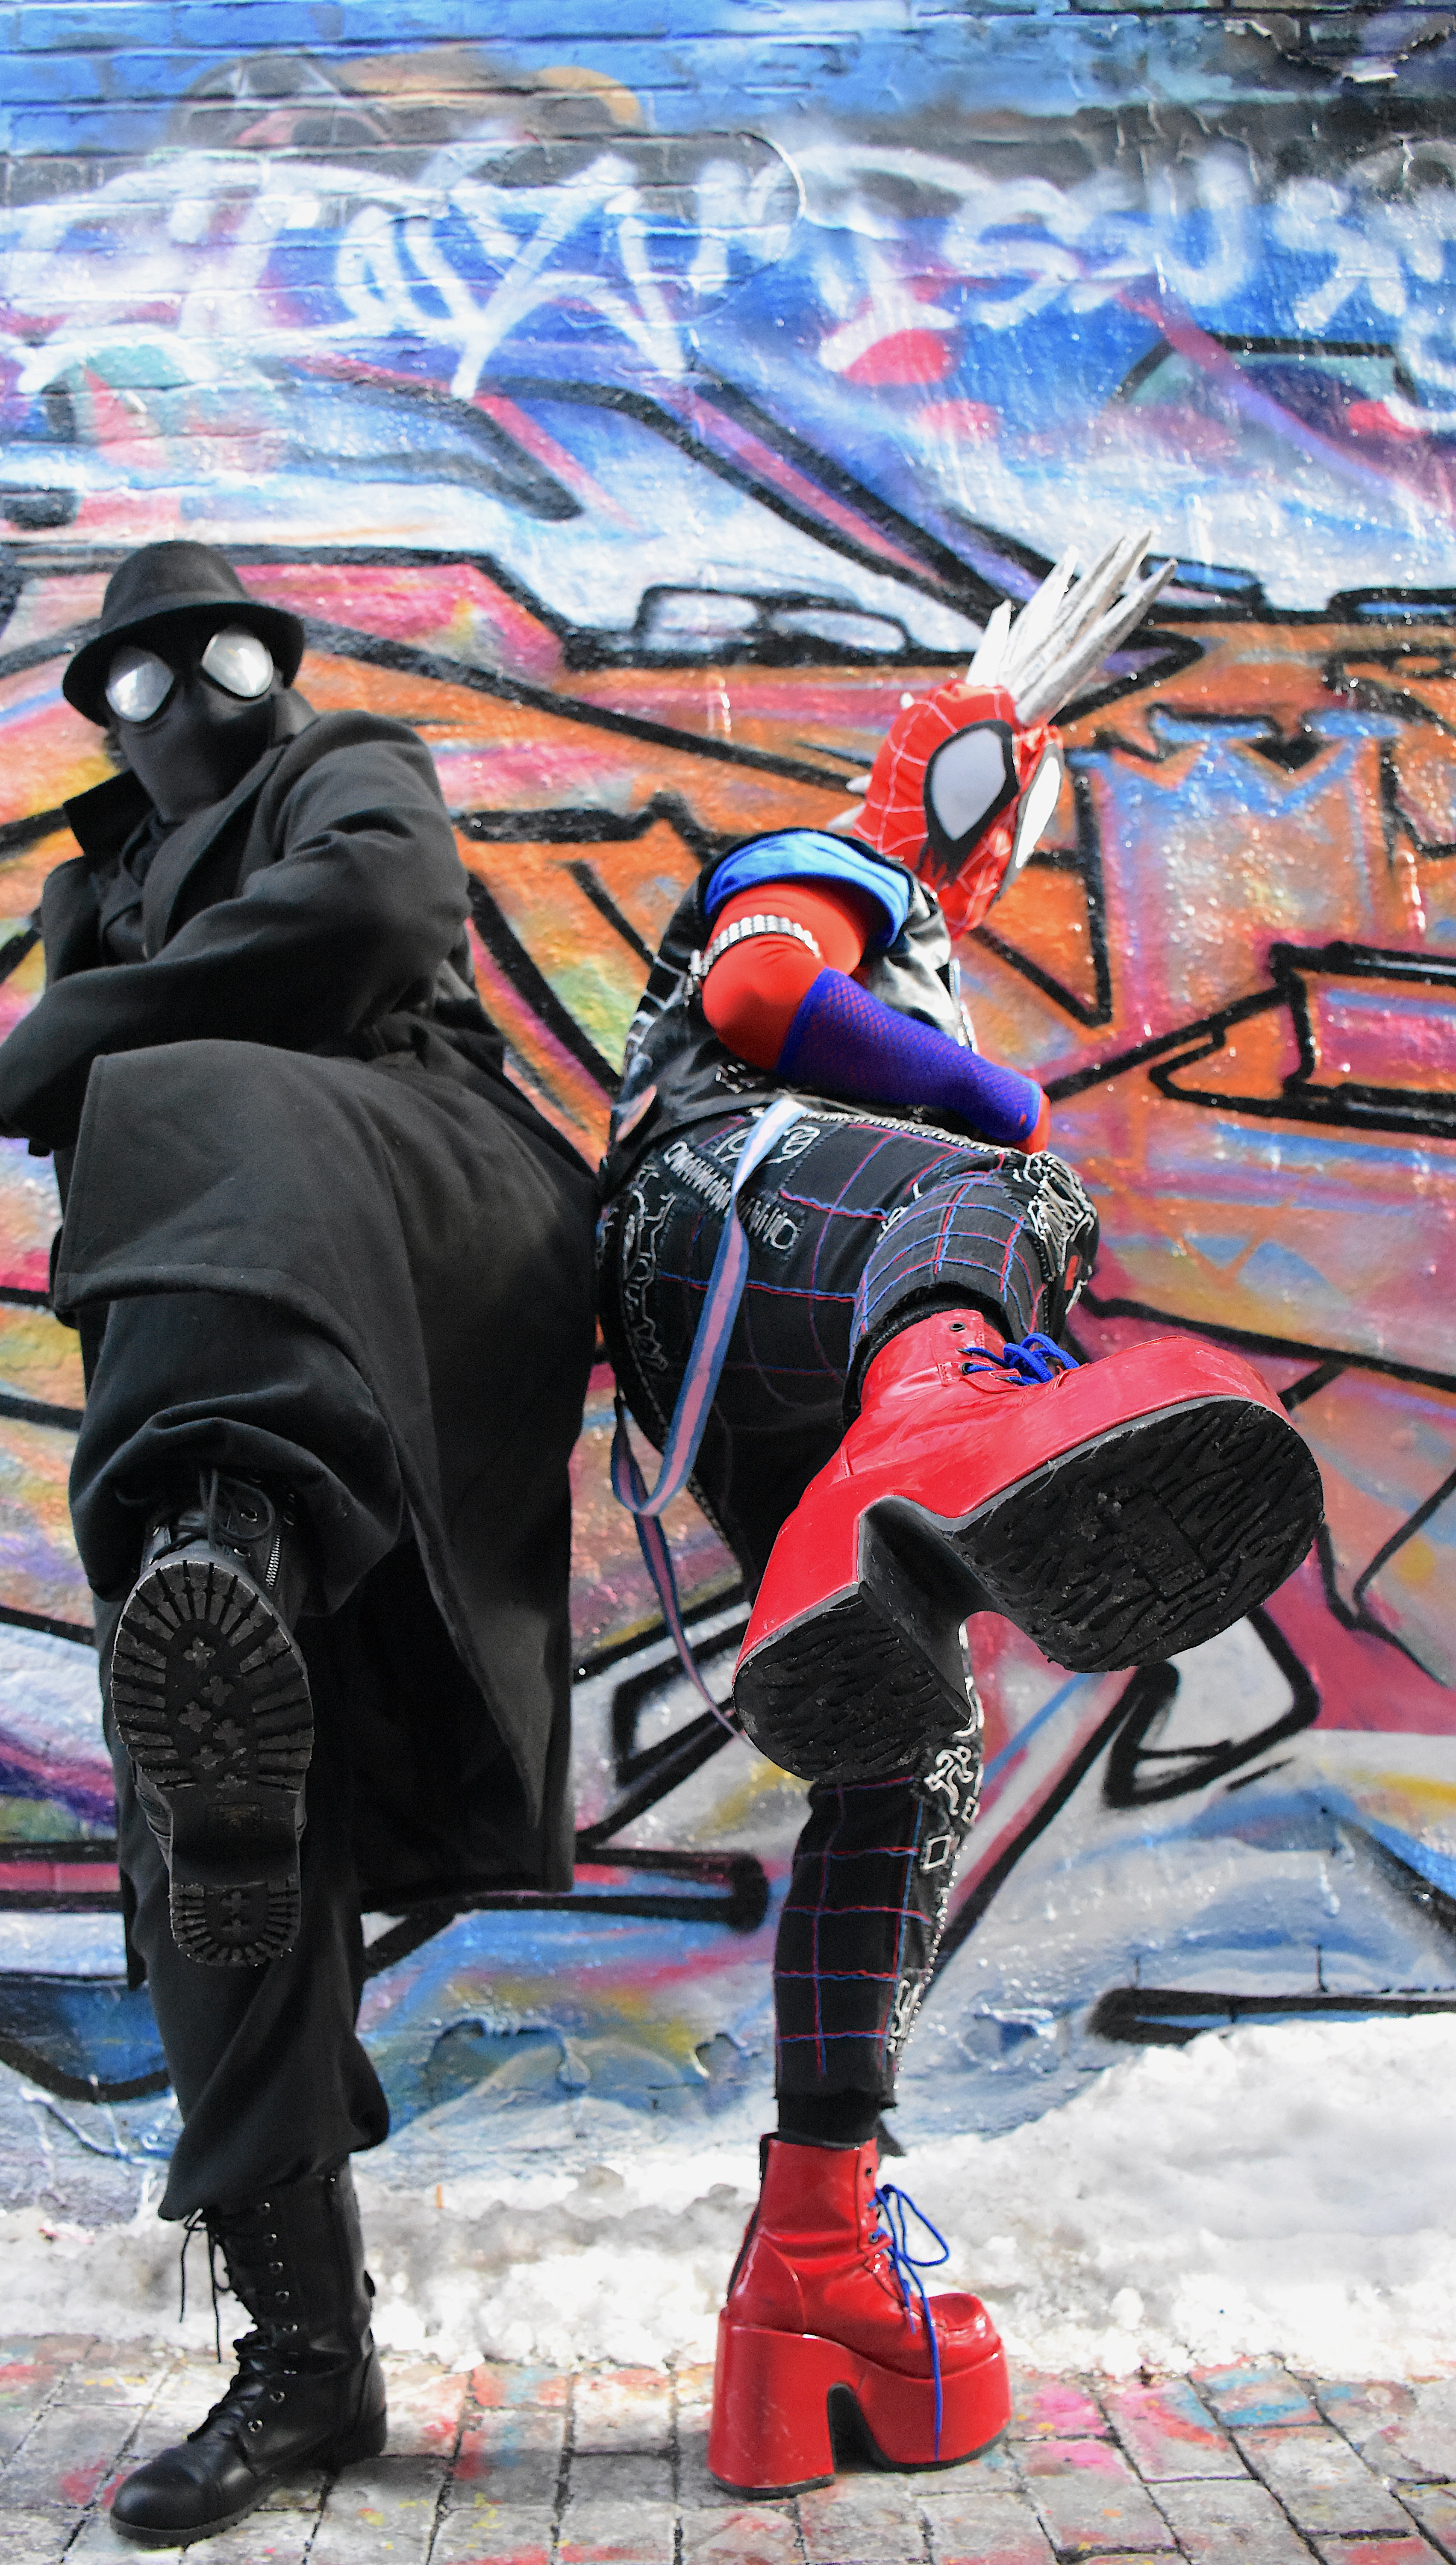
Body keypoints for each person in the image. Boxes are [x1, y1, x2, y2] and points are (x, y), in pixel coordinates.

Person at [597, 537, 1324, 2492]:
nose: (999, 837)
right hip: (747, 1217)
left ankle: (813, 2259)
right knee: (1004, 1207)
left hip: (746, 1355)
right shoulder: (827, 869)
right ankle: (940, 1406)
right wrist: (992, 1104)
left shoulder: (902, 908)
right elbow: (760, 993)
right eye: (992, 790)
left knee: (908, 1747)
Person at [0, 541, 597, 2547]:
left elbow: (380, 912)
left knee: (188, 1089)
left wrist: (107, 1026)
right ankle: (306, 2363)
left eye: (220, 657)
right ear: (102, 709)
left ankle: (231, 1522)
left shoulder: (350, 768)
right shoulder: (98, 886)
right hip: (230, 1323)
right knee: (213, 1830)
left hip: (432, 1218)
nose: (189, 700)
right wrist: (103, 1025)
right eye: (138, 678)